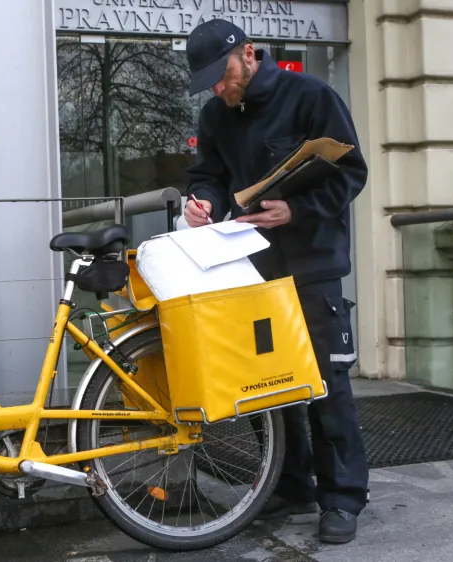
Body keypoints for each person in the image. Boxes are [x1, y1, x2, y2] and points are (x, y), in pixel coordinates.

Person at [182, 19, 370, 545]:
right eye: (210, 82)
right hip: (255, 266)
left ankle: (343, 498)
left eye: (223, 75)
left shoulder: (311, 96)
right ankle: (291, 483)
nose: (220, 87)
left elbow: (351, 173)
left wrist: (297, 209)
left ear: (248, 53)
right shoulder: (216, 114)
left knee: (326, 382)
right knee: (269, 383)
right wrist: (204, 204)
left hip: (314, 261)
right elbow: (208, 176)